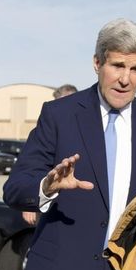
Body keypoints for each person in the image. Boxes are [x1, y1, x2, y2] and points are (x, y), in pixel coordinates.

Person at [3, 18, 136, 270]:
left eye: (135, 69)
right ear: (97, 63)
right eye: (117, 66)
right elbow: (14, 188)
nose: (125, 79)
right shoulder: (59, 115)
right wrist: (47, 186)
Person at [22, 84, 78, 226]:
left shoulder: (89, 129)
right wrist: (29, 203)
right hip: (52, 204)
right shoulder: (47, 130)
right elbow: (33, 167)